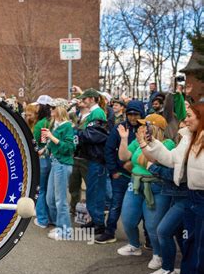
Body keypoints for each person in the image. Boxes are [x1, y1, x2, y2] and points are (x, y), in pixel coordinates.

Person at [142, 103, 204, 274]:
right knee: (190, 243)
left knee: (199, 248)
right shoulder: (188, 138)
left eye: (189, 116)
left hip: (199, 198)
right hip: (192, 196)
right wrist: (150, 144)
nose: (185, 120)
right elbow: (170, 159)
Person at [116, 114, 174, 270]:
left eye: (144, 125)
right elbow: (123, 157)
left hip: (156, 187)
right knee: (127, 219)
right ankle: (134, 246)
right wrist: (123, 139)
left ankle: (158, 255)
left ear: (154, 128)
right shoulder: (137, 141)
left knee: (153, 225)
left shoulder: (167, 144)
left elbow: (151, 160)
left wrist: (142, 142)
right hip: (135, 183)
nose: (141, 127)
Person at [96, 101, 145, 244]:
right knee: (115, 204)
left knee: (145, 207)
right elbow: (109, 149)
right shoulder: (120, 127)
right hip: (121, 175)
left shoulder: (147, 128)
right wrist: (113, 171)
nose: (132, 117)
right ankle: (109, 232)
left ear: (141, 114)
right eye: (129, 114)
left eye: (136, 114)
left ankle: (148, 238)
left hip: (141, 176)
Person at [75, 88, 109, 234]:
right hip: (92, 157)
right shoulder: (94, 113)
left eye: (85, 99)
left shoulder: (98, 113)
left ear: (92, 99)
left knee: (96, 191)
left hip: (97, 158)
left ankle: (99, 223)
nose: (82, 101)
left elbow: (93, 135)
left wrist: (77, 132)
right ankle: (95, 220)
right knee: (92, 191)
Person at [42, 101, 76, 240]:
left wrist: (52, 138)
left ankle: (65, 231)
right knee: (50, 198)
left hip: (62, 164)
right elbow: (52, 146)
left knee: (60, 200)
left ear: (60, 109)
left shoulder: (67, 126)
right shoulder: (55, 125)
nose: (50, 109)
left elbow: (70, 148)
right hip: (55, 163)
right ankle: (59, 225)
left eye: (53, 107)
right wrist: (44, 149)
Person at [32, 95, 53, 229]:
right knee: (49, 190)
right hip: (51, 158)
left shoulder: (41, 124)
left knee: (41, 190)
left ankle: (42, 219)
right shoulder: (51, 121)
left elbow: (38, 142)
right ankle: (50, 217)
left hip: (42, 159)